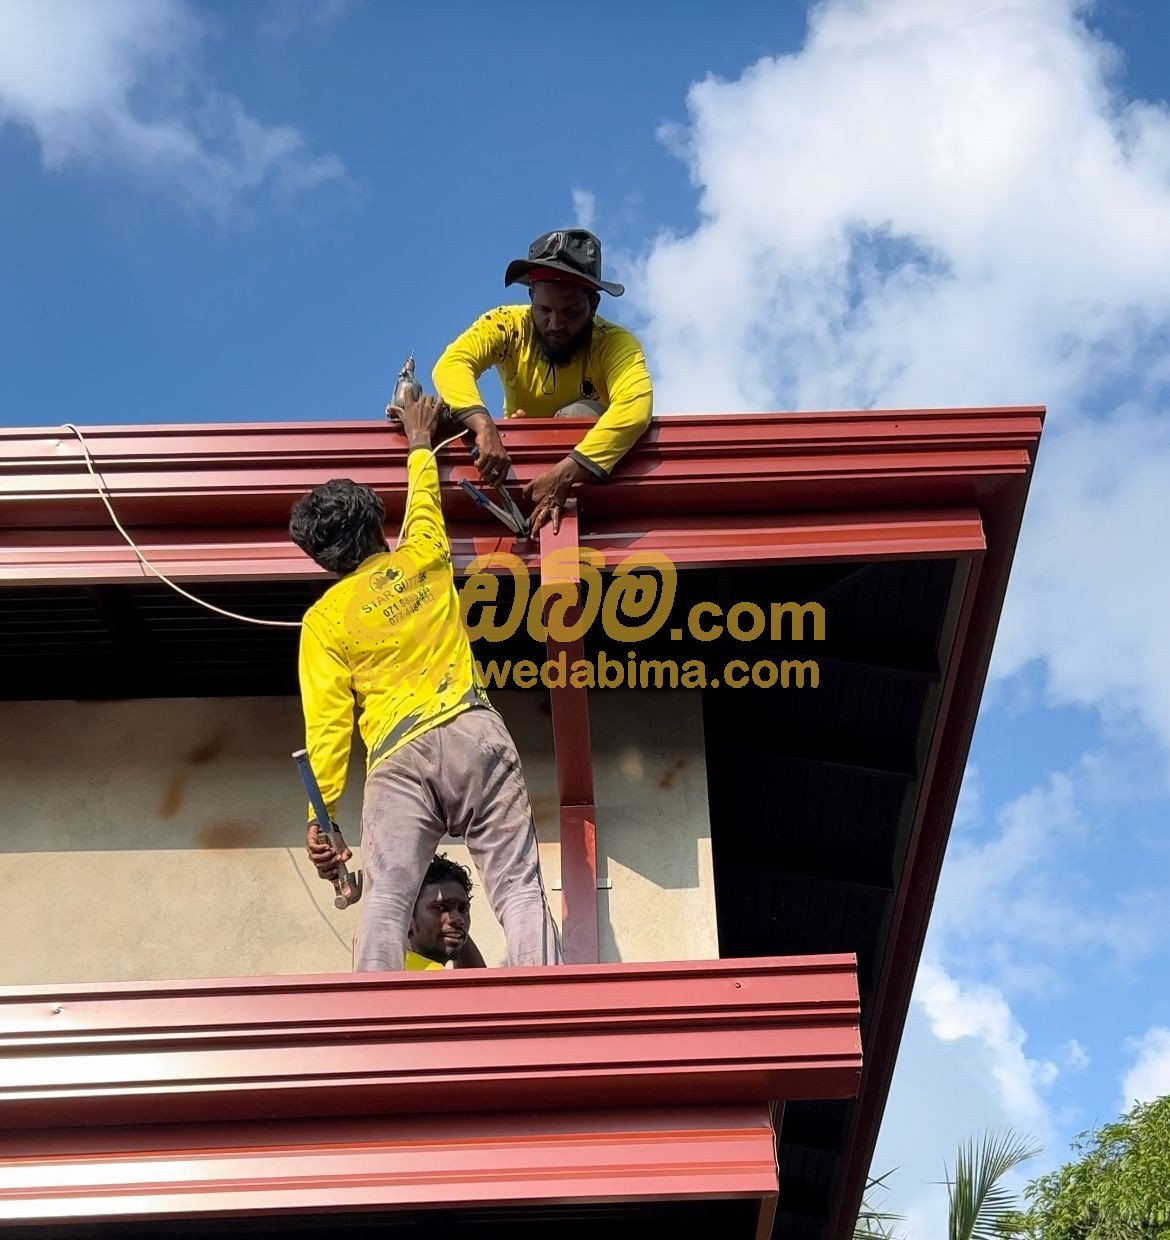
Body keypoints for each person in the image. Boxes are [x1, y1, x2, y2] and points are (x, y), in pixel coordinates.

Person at [290, 387, 562, 974]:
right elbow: (423, 501)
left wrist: (323, 821)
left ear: (323, 560)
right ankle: (544, 998)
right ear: (377, 524)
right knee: (517, 884)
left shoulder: (324, 621)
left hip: (397, 756)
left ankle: (374, 1019)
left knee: (387, 896)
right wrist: (418, 438)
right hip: (472, 729)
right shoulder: (422, 556)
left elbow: (329, 732)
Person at [432, 228, 654, 533]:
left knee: (578, 414)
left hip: (582, 477)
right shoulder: (506, 325)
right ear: (530, 298)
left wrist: (565, 474)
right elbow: (452, 364)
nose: (555, 324)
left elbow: (635, 408)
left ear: (594, 306)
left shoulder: (615, 343)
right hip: (519, 478)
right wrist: (485, 427)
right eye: (544, 310)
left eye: (571, 312)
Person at [404, 854, 487, 971]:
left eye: (463, 909)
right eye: (441, 907)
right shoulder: (429, 979)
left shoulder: (388, 969)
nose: (459, 919)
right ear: (407, 920)